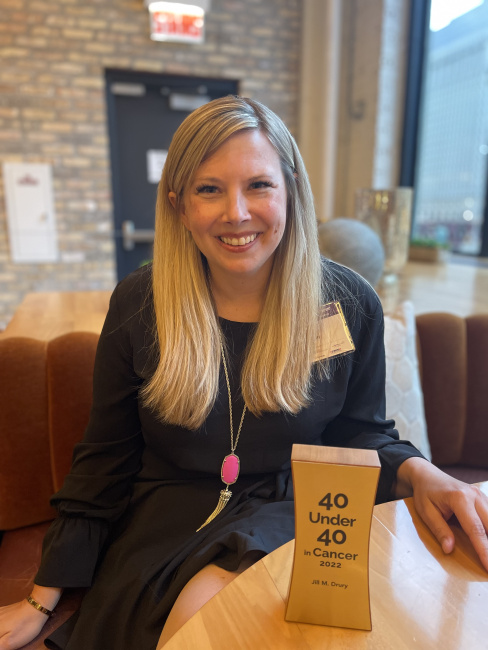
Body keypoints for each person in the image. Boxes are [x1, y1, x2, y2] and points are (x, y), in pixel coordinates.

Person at [1, 96, 487, 650]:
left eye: (258, 185)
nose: (236, 212)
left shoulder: (348, 303)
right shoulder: (141, 304)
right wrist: (43, 596)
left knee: (244, 612)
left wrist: (426, 475)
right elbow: (106, 455)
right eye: (210, 189)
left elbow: (359, 434)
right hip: (173, 510)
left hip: (297, 505)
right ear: (179, 204)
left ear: (290, 190)